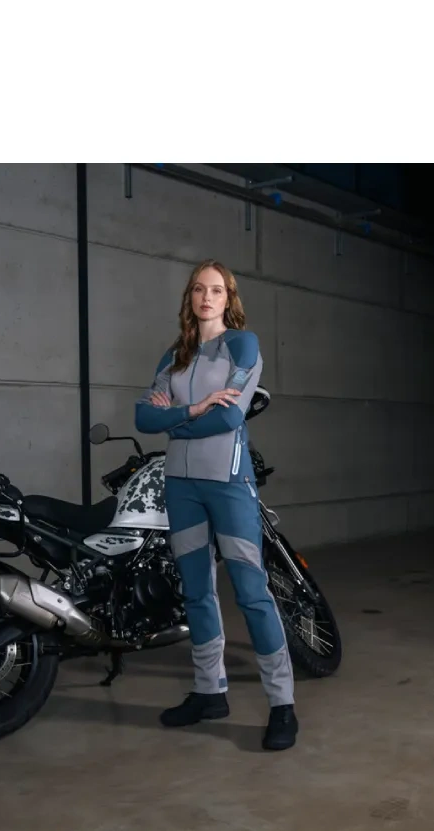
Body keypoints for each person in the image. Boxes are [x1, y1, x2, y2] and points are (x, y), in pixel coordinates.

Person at [135, 259, 298, 751]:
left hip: (227, 483)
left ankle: (282, 704)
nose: (207, 298)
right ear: (189, 297)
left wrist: (175, 420)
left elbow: (228, 419)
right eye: (199, 290)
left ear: (229, 298)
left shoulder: (242, 346)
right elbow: (143, 418)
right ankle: (210, 693)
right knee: (196, 592)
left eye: (217, 290)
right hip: (181, 485)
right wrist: (194, 409)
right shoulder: (174, 355)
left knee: (251, 591)